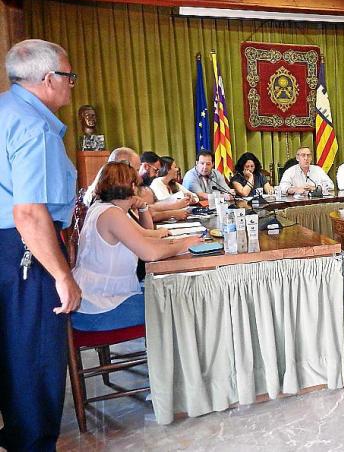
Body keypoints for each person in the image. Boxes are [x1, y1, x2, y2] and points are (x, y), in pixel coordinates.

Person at [0, 39, 82, 451]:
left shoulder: (4, 110)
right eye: (69, 76)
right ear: (49, 79)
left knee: (11, 352)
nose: (71, 84)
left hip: (7, 248)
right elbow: (30, 213)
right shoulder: (35, 127)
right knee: (35, 359)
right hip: (25, 250)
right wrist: (63, 275)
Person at [71, 162, 200, 332]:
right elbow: (150, 253)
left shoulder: (102, 208)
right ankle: (170, 349)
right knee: (180, 302)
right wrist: (185, 244)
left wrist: (178, 242)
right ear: (131, 187)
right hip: (99, 307)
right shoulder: (112, 214)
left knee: (171, 292)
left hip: (94, 299)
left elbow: (144, 237)